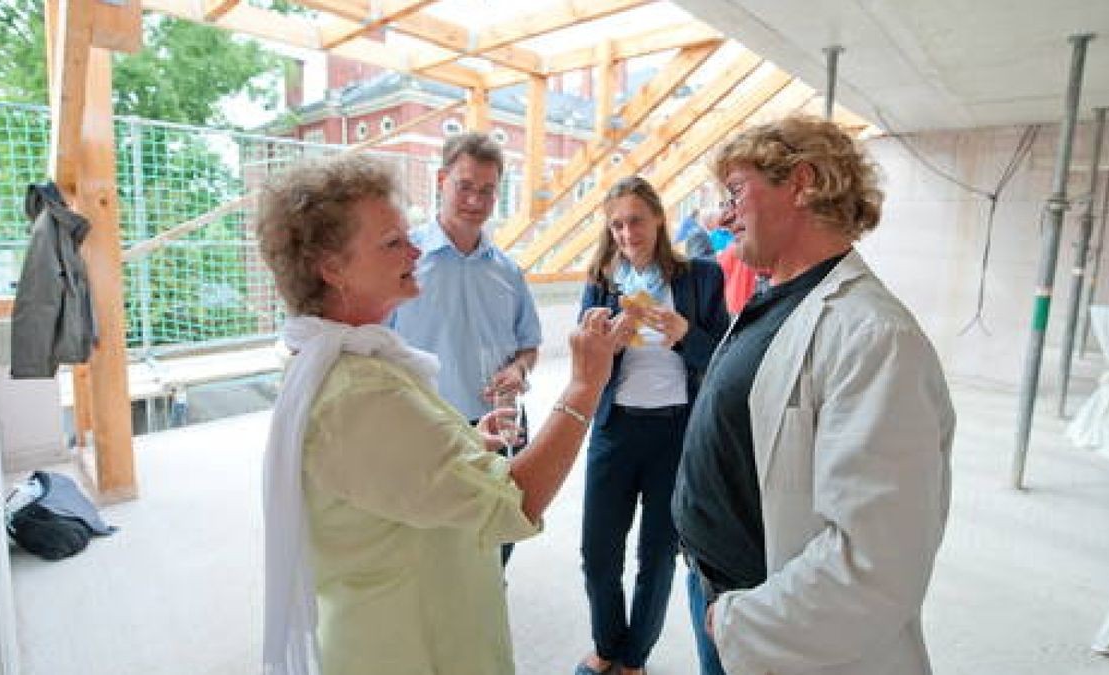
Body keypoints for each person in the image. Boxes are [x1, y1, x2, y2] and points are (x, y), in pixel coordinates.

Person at [257, 153, 621, 675]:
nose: (414, 249)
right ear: (331, 267)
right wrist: (585, 387)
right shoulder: (359, 395)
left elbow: (399, 470)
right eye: (391, 243)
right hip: (411, 648)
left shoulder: (361, 361)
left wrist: (468, 444)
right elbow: (516, 502)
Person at [672, 115, 955, 675]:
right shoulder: (776, 298)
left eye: (735, 192)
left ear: (801, 182)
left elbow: (876, 561)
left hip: (773, 625)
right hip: (717, 592)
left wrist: (733, 620)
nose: (724, 216)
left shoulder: (876, 336)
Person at [576, 176, 730, 675]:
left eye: (635, 221)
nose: (626, 233)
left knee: (658, 557)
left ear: (660, 218)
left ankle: (633, 659)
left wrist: (686, 334)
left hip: (675, 434)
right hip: (614, 429)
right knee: (598, 553)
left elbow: (725, 363)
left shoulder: (701, 277)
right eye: (616, 224)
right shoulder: (602, 282)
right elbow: (583, 362)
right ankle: (606, 646)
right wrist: (605, 346)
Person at [390, 131, 541, 567]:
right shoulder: (403, 262)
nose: (475, 200)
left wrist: (520, 370)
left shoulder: (509, 272)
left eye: (487, 190)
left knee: (501, 535)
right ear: (441, 180)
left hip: (501, 424)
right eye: (465, 186)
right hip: (430, 427)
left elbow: (529, 345)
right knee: (435, 548)